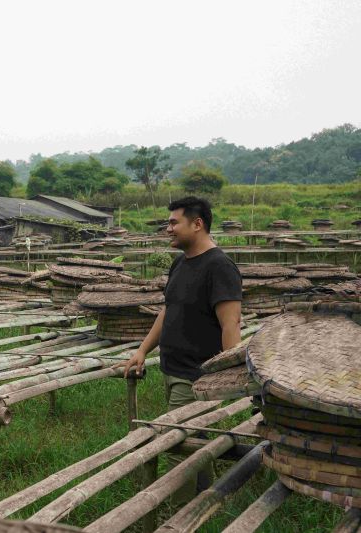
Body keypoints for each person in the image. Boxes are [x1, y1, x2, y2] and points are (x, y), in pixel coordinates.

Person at [116, 196, 242, 502]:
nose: (168, 228)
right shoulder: (179, 263)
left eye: (174, 222)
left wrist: (229, 378)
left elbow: (231, 324)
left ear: (197, 224)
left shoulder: (219, 267)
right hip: (173, 369)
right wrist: (143, 350)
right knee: (192, 442)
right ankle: (205, 504)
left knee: (176, 446)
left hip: (196, 376)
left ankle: (178, 517)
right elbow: (168, 311)